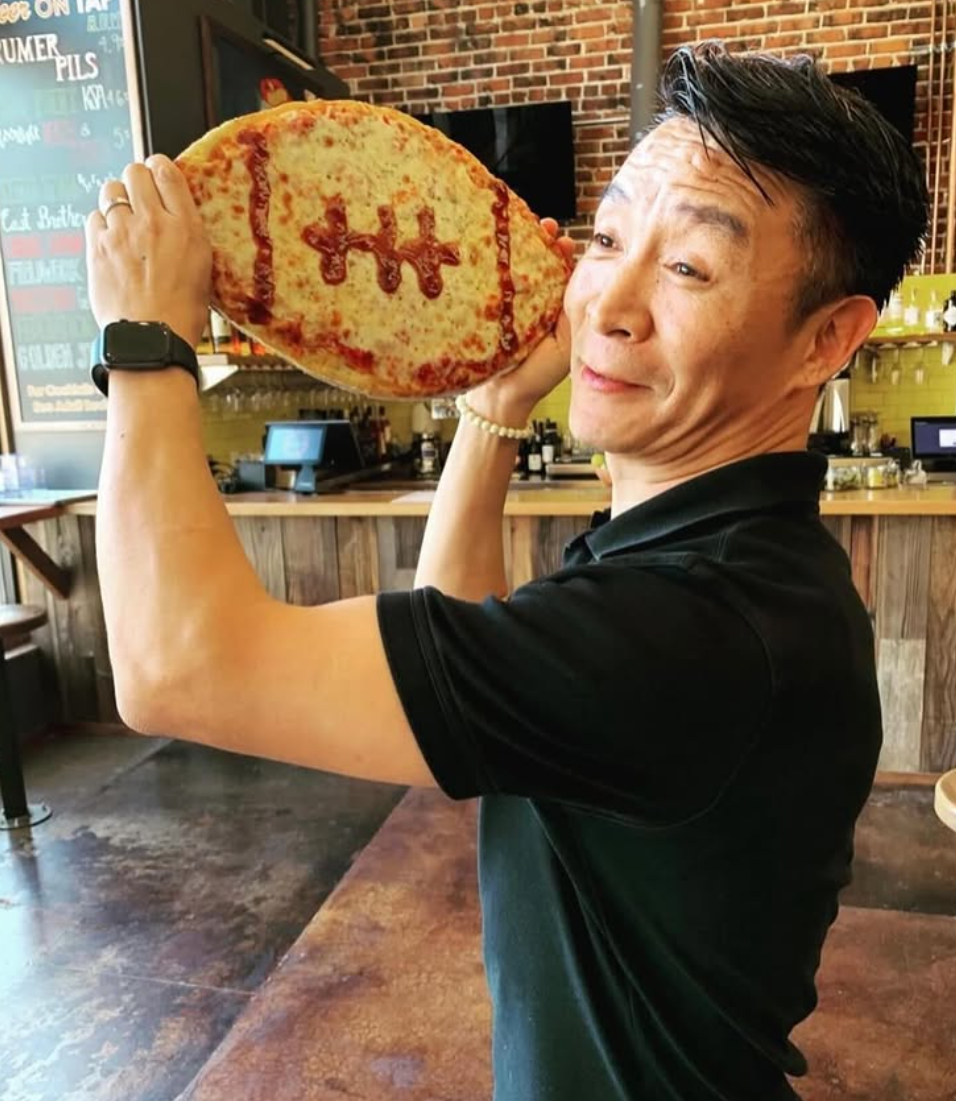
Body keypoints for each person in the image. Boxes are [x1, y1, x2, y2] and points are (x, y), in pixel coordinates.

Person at [85, 42, 927, 1101]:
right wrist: (492, 409)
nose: (606, 303)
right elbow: (462, 657)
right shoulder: (712, 558)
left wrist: (142, 339)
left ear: (825, 339)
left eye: (686, 268)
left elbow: (178, 669)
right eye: (609, 238)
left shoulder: (694, 629)